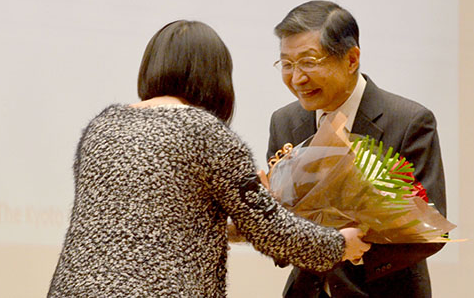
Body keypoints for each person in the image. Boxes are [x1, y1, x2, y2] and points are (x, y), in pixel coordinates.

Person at [47, 20, 370, 297]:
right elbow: (269, 231)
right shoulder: (207, 132)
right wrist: (338, 244)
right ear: (216, 76)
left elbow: (162, 222)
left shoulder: (102, 126)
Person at [267, 1, 447, 298]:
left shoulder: (408, 121)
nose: (296, 78)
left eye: (309, 62)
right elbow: (279, 226)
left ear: (351, 60)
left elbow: (430, 228)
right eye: (287, 64)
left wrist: (353, 249)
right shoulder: (284, 121)